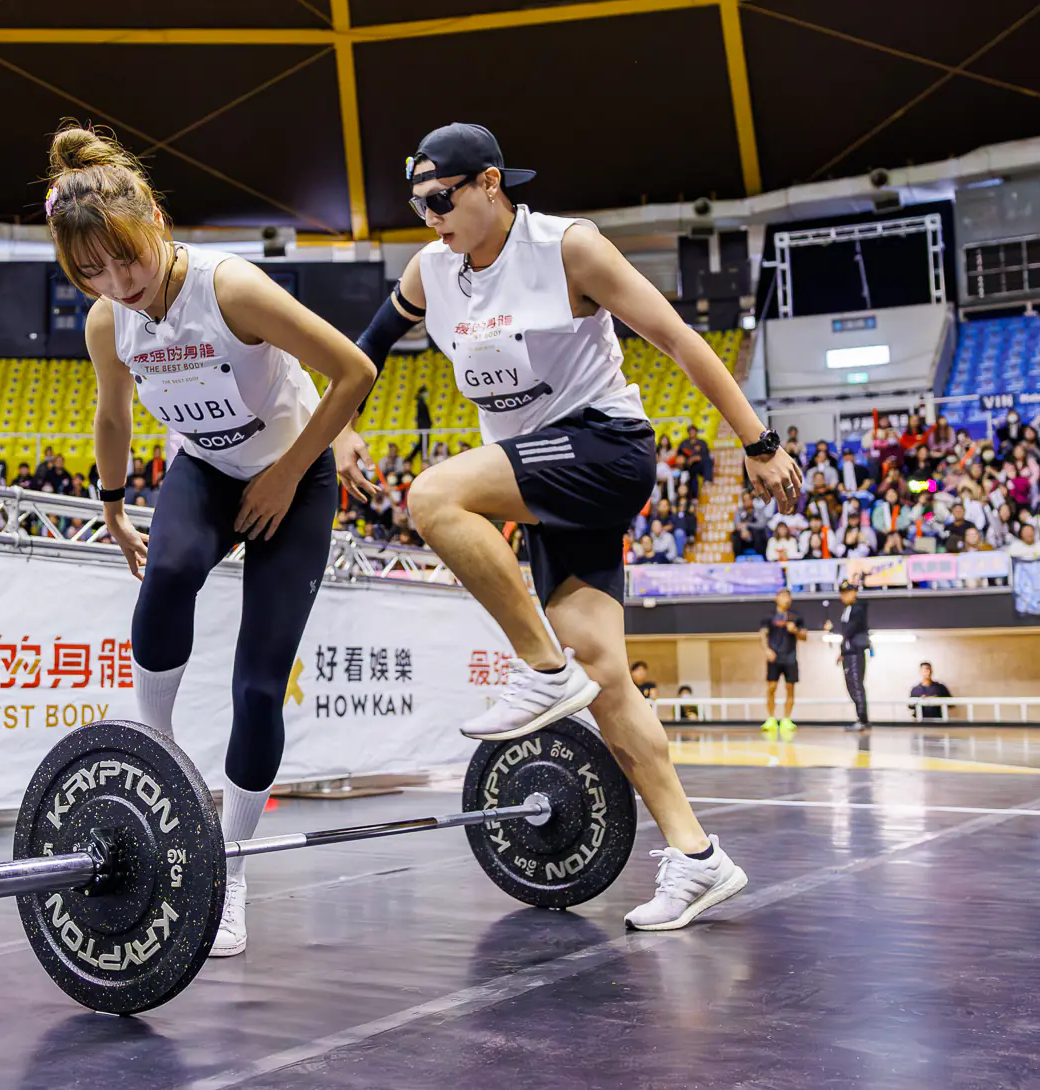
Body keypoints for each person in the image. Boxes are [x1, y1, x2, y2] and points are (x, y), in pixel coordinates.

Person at [342, 121, 802, 932]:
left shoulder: (568, 249)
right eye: (417, 206)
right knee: (606, 677)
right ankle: (698, 859)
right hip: (541, 472)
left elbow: (676, 337)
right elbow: (367, 349)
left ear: (490, 183)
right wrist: (342, 423)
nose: (430, 218)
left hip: (605, 449)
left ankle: (539, 668)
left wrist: (756, 441)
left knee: (433, 497)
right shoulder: (431, 271)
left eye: (441, 199)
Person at [44, 125, 379, 956]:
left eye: (128, 260)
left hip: (293, 480)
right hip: (206, 470)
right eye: (92, 274)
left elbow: (355, 374)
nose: (119, 284)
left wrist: (288, 471)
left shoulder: (233, 290)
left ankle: (230, 869)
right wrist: (114, 502)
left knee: (257, 689)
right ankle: (153, 748)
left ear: (156, 218)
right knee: (170, 572)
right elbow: (113, 413)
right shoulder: (106, 323)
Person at [826, 579, 871, 729]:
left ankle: (863, 719)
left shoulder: (858, 608)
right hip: (849, 652)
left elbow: (849, 630)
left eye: (847, 592)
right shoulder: (848, 609)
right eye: (842, 593)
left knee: (857, 684)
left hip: (856, 652)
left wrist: (833, 628)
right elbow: (846, 636)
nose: (844, 596)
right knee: (851, 684)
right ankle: (860, 718)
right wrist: (842, 652)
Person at [760, 589, 804, 732]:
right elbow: (762, 634)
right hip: (774, 657)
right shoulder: (769, 617)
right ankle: (771, 718)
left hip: (790, 657)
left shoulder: (795, 616)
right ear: (777, 598)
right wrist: (767, 650)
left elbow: (804, 635)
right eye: (783, 596)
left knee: (790, 688)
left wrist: (795, 631)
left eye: (788, 596)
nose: (786, 599)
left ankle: (786, 718)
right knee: (771, 687)